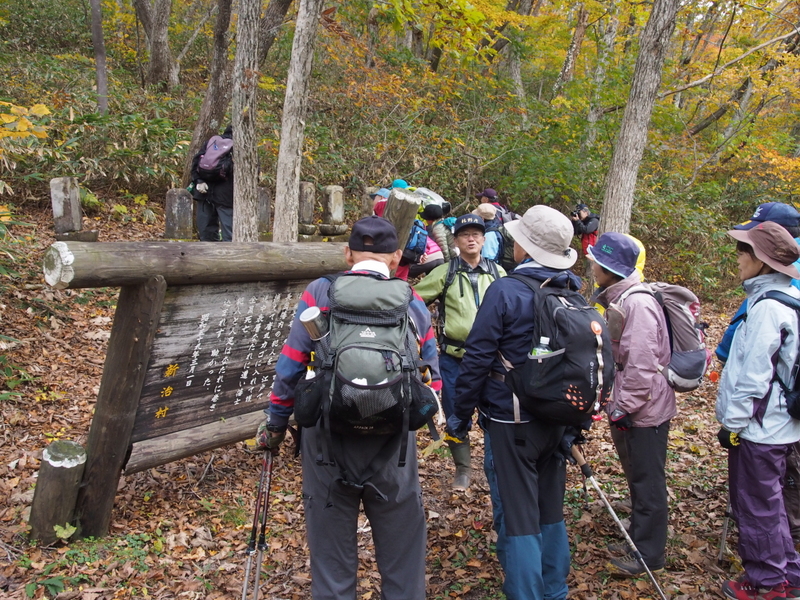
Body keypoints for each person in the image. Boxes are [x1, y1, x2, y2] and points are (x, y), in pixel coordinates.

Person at [256, 216, 442, 600]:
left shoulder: (320, 293)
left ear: (347, 253)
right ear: (394, 258)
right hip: (393, 448)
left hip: (327, 442)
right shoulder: (412, 300)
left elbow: (290, 365)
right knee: (402, 559)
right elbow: (433, 380)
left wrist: (276, 426)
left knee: (332, 563)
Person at [448, 205, 579, 600]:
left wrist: (461, 414)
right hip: (557, 418)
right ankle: (555, 588)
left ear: (525, 246)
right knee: (551, 509)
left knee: (521, 515)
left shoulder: (505, 290)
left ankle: (526, 593)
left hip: (511, 421)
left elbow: (477, 357)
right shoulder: (570, 290)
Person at [716, 220, 800, 600]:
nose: (738, 258)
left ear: (762, 262)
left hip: (761, 429)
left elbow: (753, 377)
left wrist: (732, 424)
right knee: (771, 502)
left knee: (755, 506)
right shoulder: (786, 300)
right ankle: (789, 574)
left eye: (743, 252)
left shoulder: (767, 309)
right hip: (780, 425)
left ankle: (768, 583)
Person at [589, 232, 674, 578]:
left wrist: (622, 407)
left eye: (598, 261)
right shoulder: (621, 296)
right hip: (635, 402)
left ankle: (650, 555)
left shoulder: (636, 303)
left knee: (648, 482)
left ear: (612, 267)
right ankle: (639, 539)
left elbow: (640, 363)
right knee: (638, 477)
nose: (592, 265)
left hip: (645, 407)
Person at [414, 214, 505, 490]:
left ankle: (496, 466)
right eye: (465, 234)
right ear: (456, 240)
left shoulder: (499, 274)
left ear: (484, 239)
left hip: (493, 361)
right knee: (456, 414)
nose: (471, 238)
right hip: (455, 359)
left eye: (476, 234)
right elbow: (414, 300)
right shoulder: (446, 272)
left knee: (496, 414)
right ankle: (463, 469)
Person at [190, 125, 234, 241]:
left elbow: (196, 162)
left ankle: (208, 257)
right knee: (229, 235)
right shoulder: (242, 147)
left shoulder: (212, 143)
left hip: (204, 192)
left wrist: (198, 180)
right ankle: (228, 257)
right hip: (227, 196)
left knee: (206, 235)